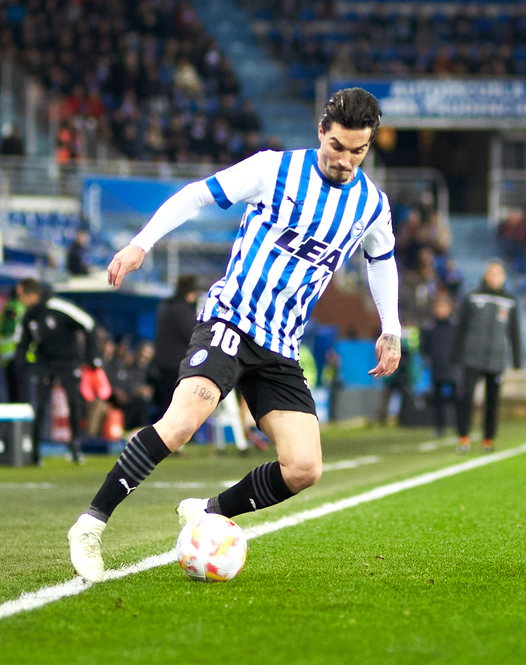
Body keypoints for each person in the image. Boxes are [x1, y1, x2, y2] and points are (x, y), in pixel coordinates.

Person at [67, 87, 402, 583]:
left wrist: (390, 327)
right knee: (181, 424)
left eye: (359, 151)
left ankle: (206, 510)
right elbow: (198, 193)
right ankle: (90, 525)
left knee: (304, 468)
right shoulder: (274, 170)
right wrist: (142, 244)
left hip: (281, 345)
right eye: (337, 147)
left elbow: (382, 260)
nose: (346, 160)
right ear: (320, 133)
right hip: (231, 319)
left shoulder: (372, 205)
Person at [15, 279, 102, 464]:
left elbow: (89, 324)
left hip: (68, 363)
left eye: (22, 296)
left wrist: (91, 358)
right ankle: (35, 451)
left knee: (73, 403)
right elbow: (23, 343)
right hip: (44, 363)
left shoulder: (59, 306)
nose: (20, 300)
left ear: (32, 295)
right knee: (39, 406)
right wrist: (20, 364)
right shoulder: (29, 316)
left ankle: (75, 447)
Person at [453, 261, 521, 454]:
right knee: (465, 398)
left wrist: (517, 360)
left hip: (495, 359)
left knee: (492, 402)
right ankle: (463, 437)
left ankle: (488, 439)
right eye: (491, 273)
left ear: (503, 278)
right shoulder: (473, 297)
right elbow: (461, 327)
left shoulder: (509, 301)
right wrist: (456, 355)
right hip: (471, 357)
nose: (494, 277)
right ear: (486, 275)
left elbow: (514, 332)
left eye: (498, 273)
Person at [153, 274, 200, 419]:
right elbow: (191, 334)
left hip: (164, 363)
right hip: (176, 366)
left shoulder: (166, 306)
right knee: (175, 406)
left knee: (167, 404)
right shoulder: (181, 310)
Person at [420, 296, 457, 436]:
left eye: (443, 307)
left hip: (453, 367)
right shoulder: (429, 327)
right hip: (437, 367)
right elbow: (424, 347)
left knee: (456, 397)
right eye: (438, 307)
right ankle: (439, 427)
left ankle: (459, 425)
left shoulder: (455, 327)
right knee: (437, 399)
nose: (440, 310)